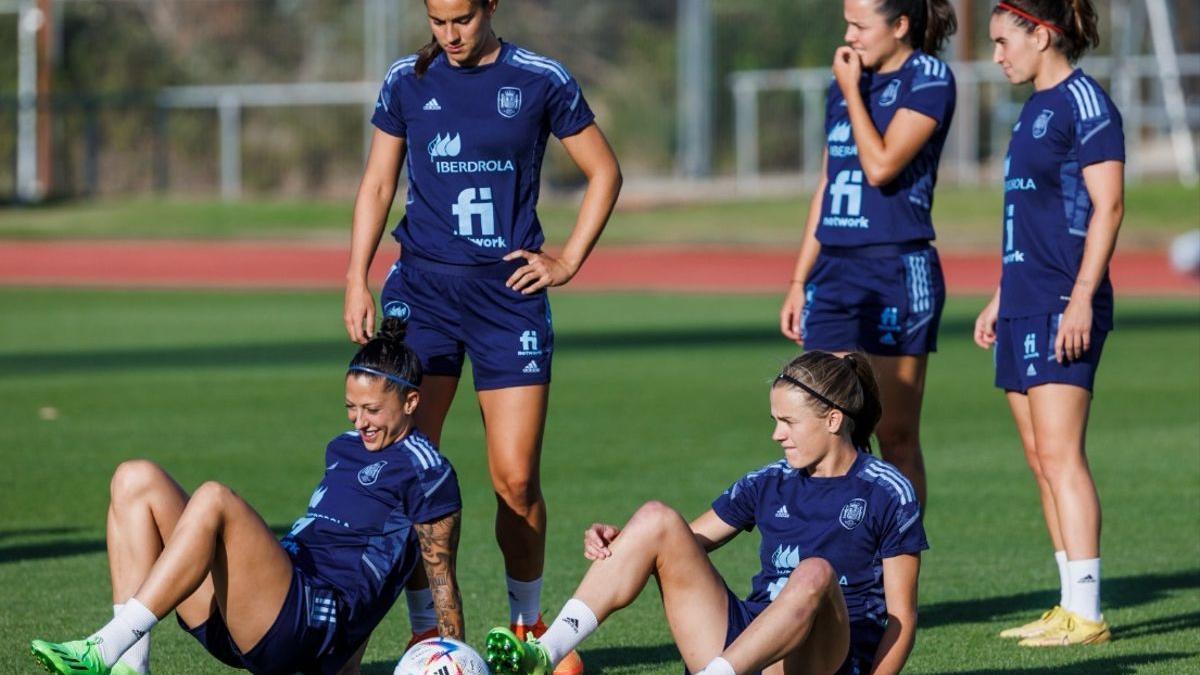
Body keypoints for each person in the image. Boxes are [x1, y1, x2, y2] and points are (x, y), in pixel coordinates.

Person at [343, 1, 620, 672]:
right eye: (437, 20)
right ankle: (428, 631)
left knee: (515, 478)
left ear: (491, 6)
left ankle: (529, 631)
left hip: (509, 300)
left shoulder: (540, 78)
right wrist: (356, 275)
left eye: (461, 17)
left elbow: (604, 172)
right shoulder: (406, 80)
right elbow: (379, 182)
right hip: (422, 297)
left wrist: (568, 259)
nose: (449, 33)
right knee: (414, 468)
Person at [29, 312, 465, 675]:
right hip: (259, 609)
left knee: (215, 498)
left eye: (372, 410)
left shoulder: (428, 471)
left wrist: (450, 653)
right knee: (134, 477)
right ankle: (128, 663)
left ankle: (104, 647)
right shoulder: (344, 446)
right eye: (351, 407)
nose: (359, 421)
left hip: (305, 626)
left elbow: (436, 570)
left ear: (410, 403)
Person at [484, 352, 927, 675]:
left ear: (833, 420)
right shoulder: (769, 481)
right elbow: (682, 543)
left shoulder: (887, 490)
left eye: (788, 423)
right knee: (657, 518)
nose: (776, 435)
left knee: (813, 573)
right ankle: (545, 653)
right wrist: (625, 541)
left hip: (825, 656)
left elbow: (901, 617)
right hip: (746, 646)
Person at [974, 0, 1121, 647]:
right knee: (1040, 458)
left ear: (1043, 33)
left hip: (1064, 301)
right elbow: (1029, 219)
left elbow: (1110, 206)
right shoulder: (1031, 109)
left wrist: (1083, 297)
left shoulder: (1085, 104)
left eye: (1005, 40)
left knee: (1063, 455)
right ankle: (1067, 603)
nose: (997, 54)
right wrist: (998, 294)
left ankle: (1088, 613)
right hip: (1023, 301)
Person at [779, 0, 959, 508]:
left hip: (896, 270)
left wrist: (854, 92)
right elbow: (827, 183)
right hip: (833, 274)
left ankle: (899, 577)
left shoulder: (928, 78)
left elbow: (881, 166)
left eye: (861, 24)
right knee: (825, 430)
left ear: (900, 25)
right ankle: (841, 576)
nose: (850, 35)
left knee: (894, 434)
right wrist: (799, 279)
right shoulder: (845, 83)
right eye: (847, 23)